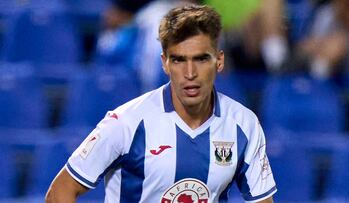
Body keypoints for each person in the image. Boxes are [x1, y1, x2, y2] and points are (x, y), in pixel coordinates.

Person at [45, 4, 276, 203]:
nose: (189, 72)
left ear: (219, 61)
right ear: (165, 63)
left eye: (201, 59)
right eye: (178, 60)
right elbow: (60, 191)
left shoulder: (243, 125)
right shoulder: (127, 122)